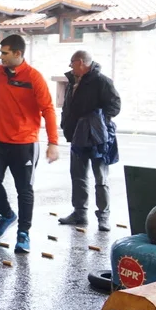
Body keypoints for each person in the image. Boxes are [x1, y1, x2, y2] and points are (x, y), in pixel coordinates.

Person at [0, 35, 59, 254]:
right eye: (1, 52)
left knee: (24, 190)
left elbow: (48, 110)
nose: (1, 57)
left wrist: (53, 142)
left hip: (24, 144)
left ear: (18, 53)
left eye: (4, 53)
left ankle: (23, 233)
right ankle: (7, 215)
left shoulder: (34, 77)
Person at [59, 50, 121, 232]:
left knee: (101, 179)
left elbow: (115, 106)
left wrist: (97, 122)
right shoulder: (72, 81)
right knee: (78, 176)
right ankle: (80, 214)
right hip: (76, 136)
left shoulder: (102, 81)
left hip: (97, 139)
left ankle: (103, 217)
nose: (70, 66)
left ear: (80, 62)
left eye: (72, 62)